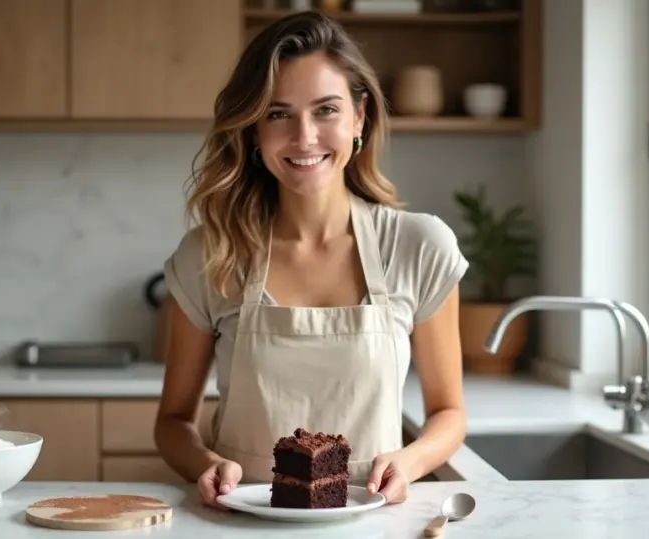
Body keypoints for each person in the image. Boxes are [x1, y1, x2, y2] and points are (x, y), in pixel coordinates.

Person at [154, 10, 467, 510]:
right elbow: (172, 424)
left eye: (326, 110)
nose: (304, 137)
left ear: (359, 116)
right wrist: (205, 465)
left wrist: (409, 462)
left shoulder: (419, 247)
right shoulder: (210, 254)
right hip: (245, 523)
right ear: (254, 130)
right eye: (278, 114)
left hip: (369, 524)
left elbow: (449, 411)